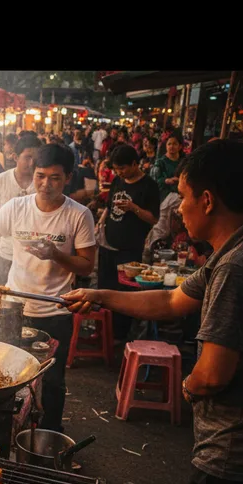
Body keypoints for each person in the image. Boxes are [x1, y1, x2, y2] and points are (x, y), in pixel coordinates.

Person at [65, 140, 243, 484]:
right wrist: (99, 295)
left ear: (207, 199)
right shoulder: (230, 253)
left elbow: (213, 374)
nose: (179, 209)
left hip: (230, 459)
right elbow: (168, 303)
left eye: (183, 197)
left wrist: (187, 386)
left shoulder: (235, 268)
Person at [0, 143, 97, 432]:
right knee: (5, 373)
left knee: (52, 382)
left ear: (67, 177)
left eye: (54, 178)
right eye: (40, 176)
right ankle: (6, 431)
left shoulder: (79, 215)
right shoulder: (17, 206)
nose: (45, 184)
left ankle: (48, 436)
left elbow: (86, 266)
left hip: (54, 311)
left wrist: (55, 254)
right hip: (12, 307)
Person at [96, 144, 160, 340]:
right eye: (116, 169)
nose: (119, 173)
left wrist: (133, 208)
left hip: (129, 249)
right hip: (108, 244)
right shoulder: (117, 181)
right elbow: (108, 206)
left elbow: (153, 219)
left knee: (123, 293)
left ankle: (120, 335)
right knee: (103, 289)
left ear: (135, 163)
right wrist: (100, 222)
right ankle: (102, 333)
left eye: (122, 168)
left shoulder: (149, 186)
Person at [0, 134, 39, 284]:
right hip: (6, 254)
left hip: (34, 258)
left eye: (36, 158)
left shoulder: (42, 184)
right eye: (27, 157)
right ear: (15, 157)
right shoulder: (1, 179)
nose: (32, 163)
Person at [152, 133, 183, 201]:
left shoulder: (183, 162)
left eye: (174, 144)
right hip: (164, 196)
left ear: (180, 146)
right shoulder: (160, 162)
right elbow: (154, 179)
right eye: (169, 144)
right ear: (166, 146)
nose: (171, 146)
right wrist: (166, 180)